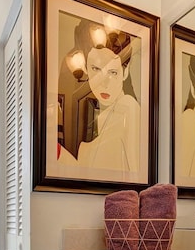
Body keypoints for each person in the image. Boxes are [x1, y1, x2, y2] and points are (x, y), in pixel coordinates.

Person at [59, 21, 140, 172]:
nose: (104, 83)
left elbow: (137, 173)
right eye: (96, 69)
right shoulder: (101, 120)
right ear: (87, 71)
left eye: (112, 72)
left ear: (125, 72)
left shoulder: (128, 106)